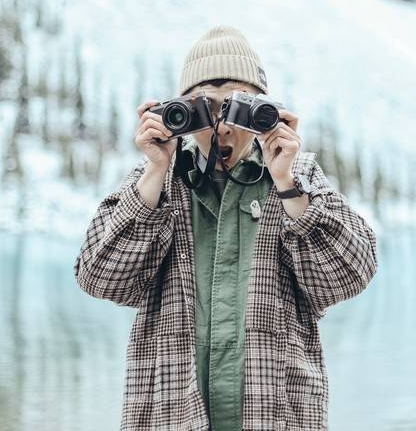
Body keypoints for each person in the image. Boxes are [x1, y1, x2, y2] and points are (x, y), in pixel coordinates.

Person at [74, 25, 378, 430]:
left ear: (264, 111)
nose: (223, 126)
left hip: (277, 415)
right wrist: (155, 170)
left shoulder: (296, 176)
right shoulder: (156, 182)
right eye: (205, 108)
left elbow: (350, 276)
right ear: (179, 113)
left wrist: (287, 185)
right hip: (170, 416)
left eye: (239, 107)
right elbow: (99, 278)